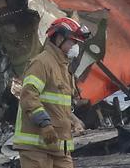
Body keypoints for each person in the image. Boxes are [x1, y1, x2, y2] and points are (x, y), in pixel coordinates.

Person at [14, 16, 90, 168]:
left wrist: (74, 121)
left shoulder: (63, 67)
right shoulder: (41, 63)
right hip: (36, 147)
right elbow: (29, 97)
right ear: (60, 38)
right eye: (74, 41)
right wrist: (45, 125)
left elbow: (58, 105)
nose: (76, 46)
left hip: (59, 147)